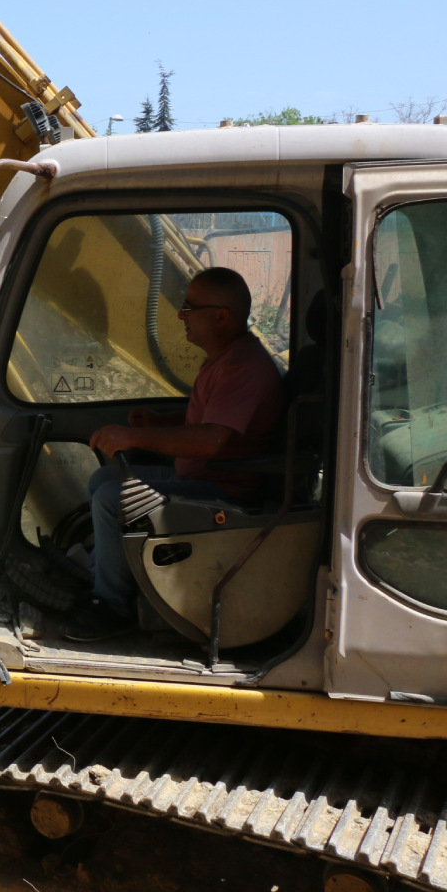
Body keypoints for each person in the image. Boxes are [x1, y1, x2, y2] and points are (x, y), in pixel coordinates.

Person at [64, 267, 284, 642]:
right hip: (203, 475)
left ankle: (113, 607)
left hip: (224, 490)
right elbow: (213, 417)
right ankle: (114, 581)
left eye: (189, 307)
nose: (181, 315)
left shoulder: (243, 367)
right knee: (103, 479)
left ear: (221, 316)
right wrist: (161, 421)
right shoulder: (227, 357)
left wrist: (135, 436)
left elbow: (211, 441)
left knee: (110, 497)